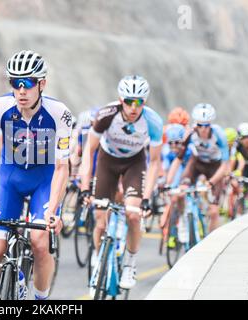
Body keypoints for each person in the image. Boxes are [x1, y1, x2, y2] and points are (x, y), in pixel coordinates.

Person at [0, 50, 72, 300]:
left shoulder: (59, 114)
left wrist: (53, 211)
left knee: (40, 243)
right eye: (15, 83)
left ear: (42, 84)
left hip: (43, 180)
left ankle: (40, 299)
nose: (21, 90)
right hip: (9, 179)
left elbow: (61, 167)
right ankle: (16, 287)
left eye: (28, 83)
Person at [80, 75, 163, 290]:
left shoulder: (153, 122)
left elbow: (154, 162)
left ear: (145, 102)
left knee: (134, 215)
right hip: (107, 161)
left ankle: (130, 263)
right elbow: (89, 151)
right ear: (120, 100)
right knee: (100, 217)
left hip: (134, 163)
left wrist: (146, 197)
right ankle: (98, 259)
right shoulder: (107, 115)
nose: (133, 107)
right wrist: (84, 188)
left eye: (139, 102)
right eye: (128, 101)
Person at [167, 103, 229, 232]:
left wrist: (211, 183)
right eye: (200, 125)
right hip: (197, 163)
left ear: (211, 124)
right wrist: (168, 183)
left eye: (206, 125)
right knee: (180, 192)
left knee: (214, 211)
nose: (203, 129)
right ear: (196, 124)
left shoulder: (219, 135)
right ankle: (183, 223)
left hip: (215, 167)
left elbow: (224, 166)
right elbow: (178, 160)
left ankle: (210, 242)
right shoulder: (190, 133)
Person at [229, 122, 248, 211]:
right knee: (237, 183)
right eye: (243, 138)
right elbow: (232, 160)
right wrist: (232, 176)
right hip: (245, 168)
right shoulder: (236, 145)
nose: (246, 140)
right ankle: (240, 205)